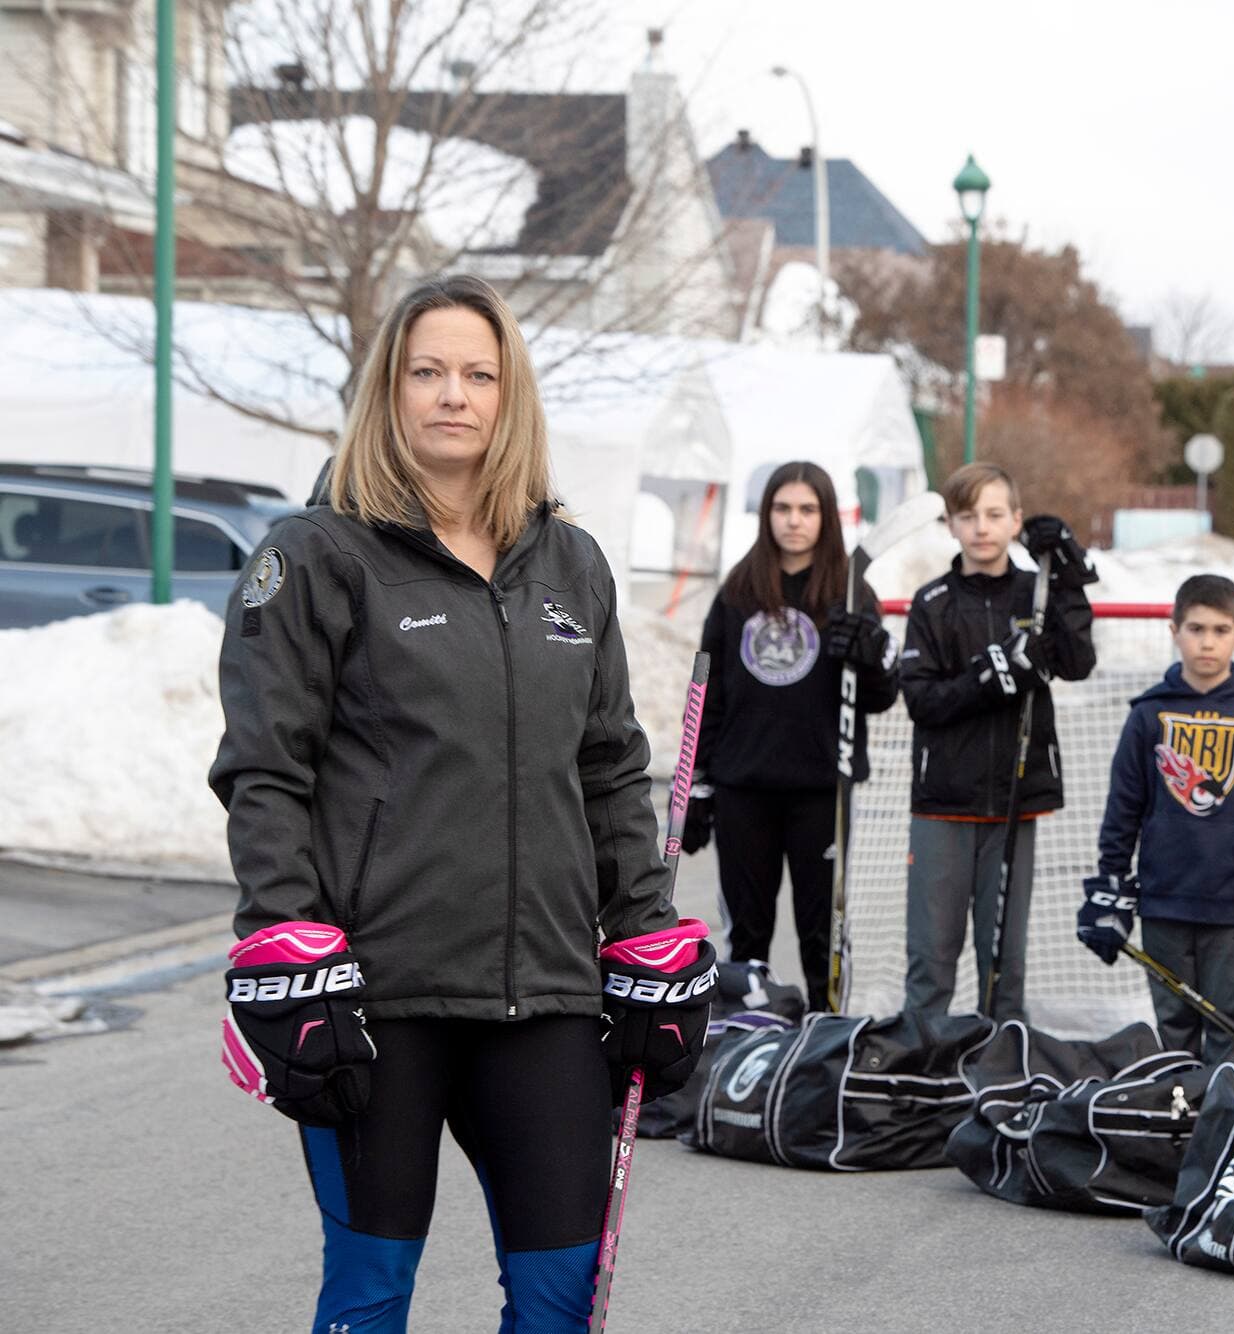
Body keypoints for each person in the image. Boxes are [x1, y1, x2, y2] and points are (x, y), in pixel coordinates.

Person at [208, 274, 715, 1332]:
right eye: (427, 371)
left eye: (479, 375)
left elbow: (609, 764)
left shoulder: (570, 563)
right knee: (370, 1294)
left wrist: (646, 931)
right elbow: (267, 769)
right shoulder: (316, 555)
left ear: (508, 394)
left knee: (561, 1300)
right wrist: (281, 937)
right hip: (373, 1001)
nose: (454, 395)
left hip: (546, 998)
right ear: (388, 391)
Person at [681, 461, 899, 1008]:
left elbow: (879, 697)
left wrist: (870, 656)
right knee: (746, 933)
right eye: (782, 508)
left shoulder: (851, 593)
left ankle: (824, 1038)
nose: (794, 521)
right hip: (743, 787)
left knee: (822, 934)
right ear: (767, 514)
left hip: (821, 789)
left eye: (807, 509)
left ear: (827, 517)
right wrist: (697, 783)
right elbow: (709, 692)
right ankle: (746, 1033)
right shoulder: (738, 591)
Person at [1077, 574, 1234, 1065]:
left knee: (1230, 1027)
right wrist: (1112, 877)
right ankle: (1178, 1113)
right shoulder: (1148, 715)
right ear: (1174, 630)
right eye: (1196, 629)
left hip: (1232, 906)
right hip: (1164, 900)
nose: (1207, 642)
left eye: (1220, 630)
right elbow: (1124, 807)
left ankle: (1227, 1111)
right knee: (1174, 1030)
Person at [900, 461, 1096, 1021]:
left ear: (1015, 520)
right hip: (943, 803)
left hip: (1014, 800)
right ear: (951, 525)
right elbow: (922, 700)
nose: (981, 527)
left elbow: (1078, 662)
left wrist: (1069, 577)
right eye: (968, 516)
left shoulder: (1037, 595)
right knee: (932, 955)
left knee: (1004, 959)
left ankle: (1002, 1057)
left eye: (994, 514)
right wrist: (987, 678)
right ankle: (924, 1057)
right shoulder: (932, 602)